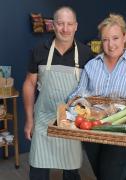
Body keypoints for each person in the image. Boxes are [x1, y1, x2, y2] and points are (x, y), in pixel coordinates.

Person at [69, 14, 126, 180]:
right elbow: (79, 92)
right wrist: (70, 104)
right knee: (106, 174)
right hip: (93, 128)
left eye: (115, 38)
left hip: (123, 129)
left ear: (124, 37)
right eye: (105, 39)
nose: (110, 45)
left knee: (109, 175)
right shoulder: (92, 65)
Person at [23, 6, 93, 180]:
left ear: (76, 26)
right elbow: (29, 84)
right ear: (53, 25)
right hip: (43, 121)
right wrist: (29, 120)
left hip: (71, 123)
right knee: (38, 169)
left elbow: (91, 90)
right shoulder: (39, 50)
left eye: (69, 24)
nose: (65, 29)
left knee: (71, 172)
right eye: (60, 24)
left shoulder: (86, 54)